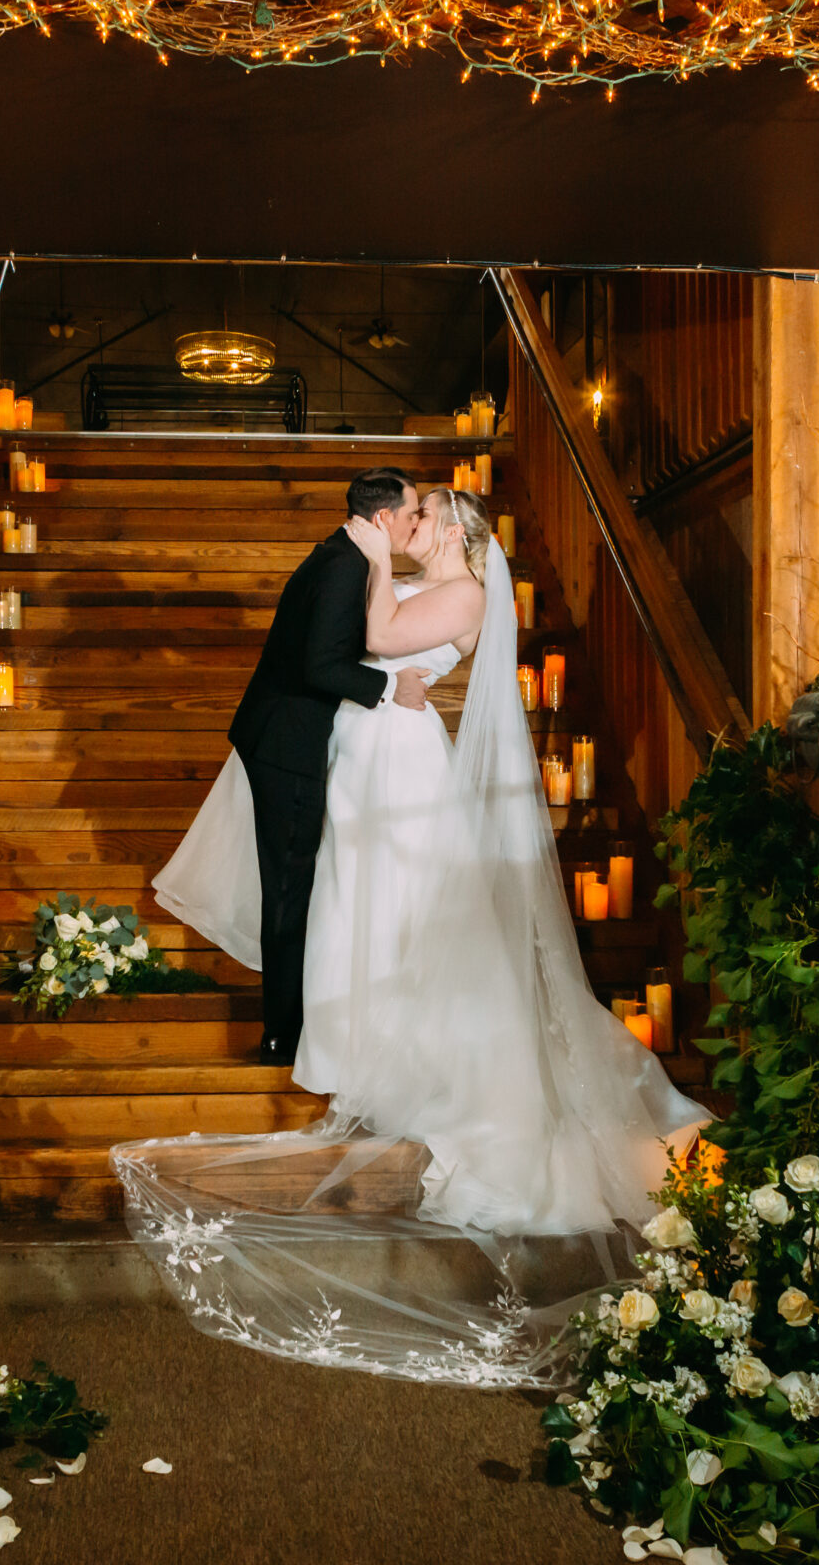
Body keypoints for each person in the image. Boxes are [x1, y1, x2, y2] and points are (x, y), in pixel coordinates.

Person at [135, 487, 706, 1386]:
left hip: (398, 761)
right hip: (375, 748)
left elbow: (378, 640)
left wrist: (366, 557)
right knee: (361, 899)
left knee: (389, 900)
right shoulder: (424, 581)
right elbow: (372, 642)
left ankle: (386, 1050)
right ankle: (351, 1035)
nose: (416, 528)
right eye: (415, 515)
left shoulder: (466, 594)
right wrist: (371, 562)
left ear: (456, 534)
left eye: (428, 516)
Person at [215, 467, 431, 1069]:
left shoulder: (336, 553)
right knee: (289, 890)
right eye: (411, 513)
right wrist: (391, 687)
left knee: (294, 886)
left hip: (282, 736)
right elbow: (320, 666)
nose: (415, 523)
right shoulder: (345, 565)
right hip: (287, 744)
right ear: (384, 518)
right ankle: (282, 1037)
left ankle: (293, 1024)